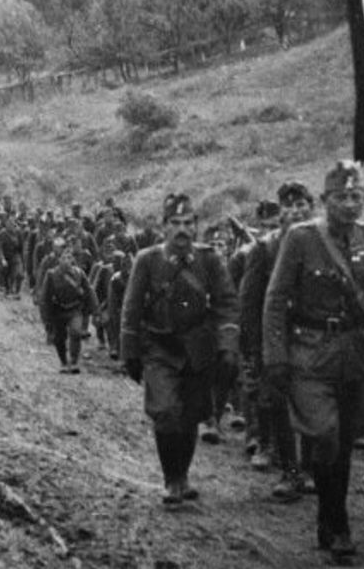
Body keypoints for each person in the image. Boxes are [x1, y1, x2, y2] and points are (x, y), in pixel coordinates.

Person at [264, 162, 364, 564]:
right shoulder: (300, 239)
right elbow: (275, 300)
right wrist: (275, 357)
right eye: (340, 197)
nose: (350, 204)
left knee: (344, 443)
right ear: (324, 200)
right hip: (309, 355)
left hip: (355, 355)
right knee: (325, 435)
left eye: (356, 196)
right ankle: (338, 521)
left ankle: (331, 518)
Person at [121, 193, 239, 505]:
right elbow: (131, 308)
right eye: (175, 223)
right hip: (160, 346)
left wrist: (227, 346)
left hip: (197, 350)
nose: (182, 229)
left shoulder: (209, 260)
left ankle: (182, 476)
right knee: (165, 412)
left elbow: (227, 303)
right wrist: (130, 352)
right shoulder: (147, 260)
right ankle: (171, 478)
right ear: (164, 226)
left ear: (196, 226)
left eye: (188, 223)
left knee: (189, 416)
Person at [240, 182, 315, 502]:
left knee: (312, 404)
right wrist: (254, 350)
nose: (296, 212)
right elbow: (249, 304)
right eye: (289, 206)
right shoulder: (265, 249)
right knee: (281, 405)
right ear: (281, 212)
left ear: (311, 208)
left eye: (301, 205)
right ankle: (290, 470)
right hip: (276, 338)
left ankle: (309, 468)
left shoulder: (323, 245)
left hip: (313, 338)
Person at [36, 246, 98, 373]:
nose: (66, 260)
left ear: (72, 260)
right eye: (63, 258)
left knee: (76, 332)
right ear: (59, 260)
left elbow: (89, 291)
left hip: (75, 309)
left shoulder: (79, 273)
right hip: (58, 310)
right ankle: (63, 362)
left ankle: (74, 362)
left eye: (69, 258)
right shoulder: (52, 274)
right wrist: (46, 317)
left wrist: (95, 310)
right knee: (59, 338)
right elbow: (45, 297)